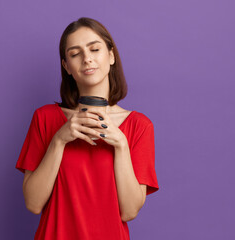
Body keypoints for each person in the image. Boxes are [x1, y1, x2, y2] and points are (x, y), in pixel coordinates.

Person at [15, 17, 159, 240]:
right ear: (66, 66)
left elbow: (129, 211)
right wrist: (59, 140)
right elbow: (33, 204)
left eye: (94, 49)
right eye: (75, 54)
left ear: (111, 56)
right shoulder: (45, 118)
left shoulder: (139, 126)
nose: (87, 59)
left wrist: (120, 144)